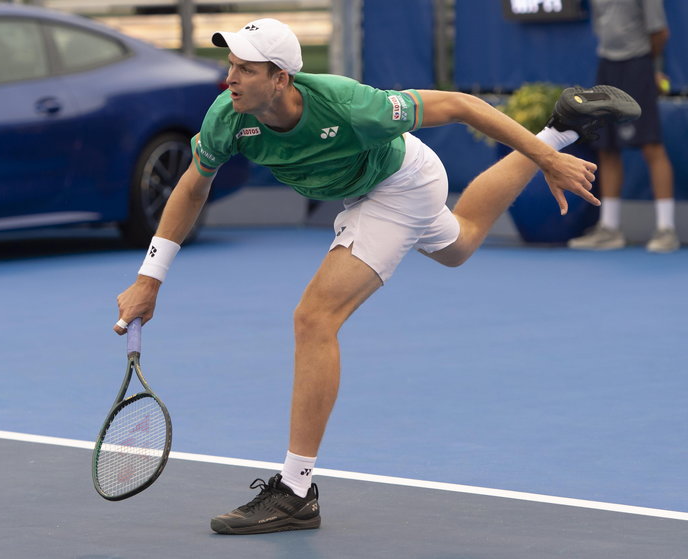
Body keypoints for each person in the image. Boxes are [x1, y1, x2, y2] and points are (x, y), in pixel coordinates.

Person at [113, 18, 638, 534]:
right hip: (367, 185)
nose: (230, 78)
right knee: (462, 241)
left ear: (281, 79)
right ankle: (563, 124)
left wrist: (545, 161)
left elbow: (460, 105)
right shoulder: (227, 117)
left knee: (314, 318)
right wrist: (149, 278)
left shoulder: (345, 102)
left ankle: (295, 492)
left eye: (246, 69)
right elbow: (190, 187)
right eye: (230, 65)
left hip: (399, 182)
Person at [568, 0, 679, 252]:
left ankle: (666, 229)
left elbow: (659, 32)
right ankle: (609, 228)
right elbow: (601, 26)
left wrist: (648, 66)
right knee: (606, 148)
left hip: (638, 65)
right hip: (607, 66)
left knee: (651, 146)